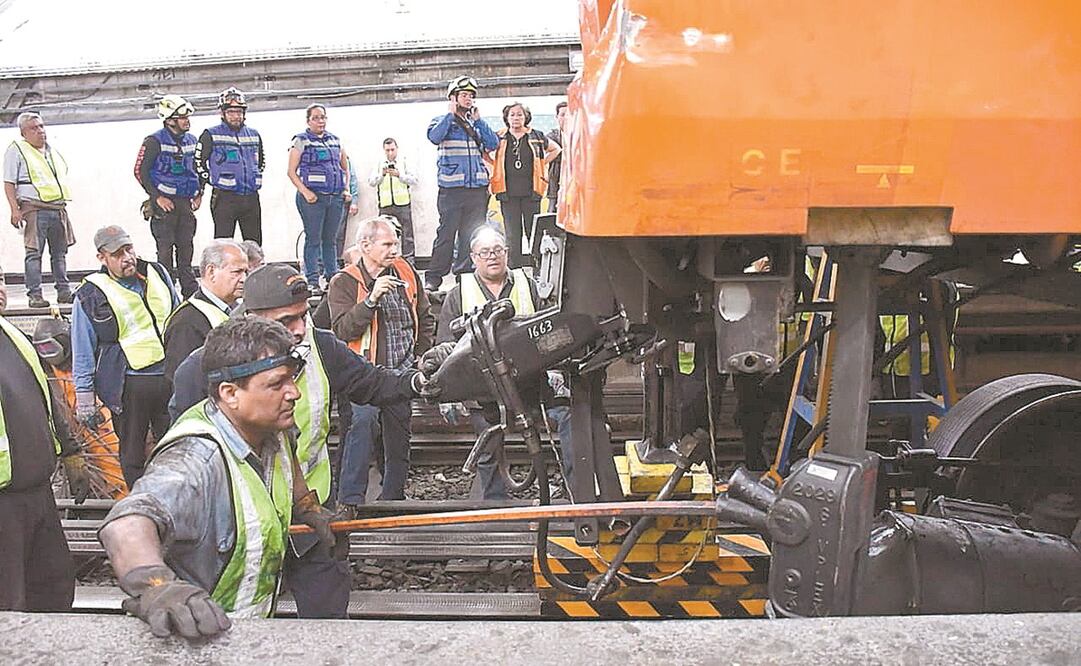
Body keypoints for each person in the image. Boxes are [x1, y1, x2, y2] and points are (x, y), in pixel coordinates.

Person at [170, 263, 444, 618]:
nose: (300, 330)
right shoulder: (204, 369)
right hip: (240, 522)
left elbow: (372, 383)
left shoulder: (320, 346)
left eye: (304, 315)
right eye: (286, 322)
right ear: (251, 318)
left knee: (327, 619)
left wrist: (419, 383)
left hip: (309, 514)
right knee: (237, 617)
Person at [97, 317, 338, 638]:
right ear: (230, 393)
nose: (293, 392)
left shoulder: (271, 428)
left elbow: (288, 458)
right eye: (276, 384)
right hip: (195, 638)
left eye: (292, 380)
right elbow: (126, 525)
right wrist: (156, 586)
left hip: (245, 632)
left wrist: (306, 505)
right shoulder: (196, 458)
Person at [436, 226, 572, 499]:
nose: (492, 257)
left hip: (531, 385)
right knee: (489, 452)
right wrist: (446, 394)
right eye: (484, 252)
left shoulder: (528, 285)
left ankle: (575, 497)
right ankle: (496, 506)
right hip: (482, 393)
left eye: (497, 250)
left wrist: (556, 371)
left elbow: (552, 329)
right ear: (473, 257)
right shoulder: (458, 293)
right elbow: (444, 346)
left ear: (507, 253)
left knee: (571, 421)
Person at [328, 216, 435, 510]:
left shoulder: (405, 271)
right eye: (387, 244)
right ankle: (349, 501)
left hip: (401, 372)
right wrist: (371, 299)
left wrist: (421, 357)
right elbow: (341, 330)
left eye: (396, 243)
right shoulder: (345, 282)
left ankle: (393, 499)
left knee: (398, 436)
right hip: (363, 375)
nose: (395, 250)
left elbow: (424, 316)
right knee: (361, 427)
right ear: (366, 245)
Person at [0, 296, 90, 611]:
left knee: (53, 589)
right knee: (8, 603)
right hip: (4, 503)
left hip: (37, 493)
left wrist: (71, 452)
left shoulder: (13, 337)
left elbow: (47, 400)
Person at [72, 225, 179, 488]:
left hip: (168, 377)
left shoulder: (157, 272)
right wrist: (84, 397)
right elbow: (82, 348)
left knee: (176, 446)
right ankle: (140, 506)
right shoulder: (90, 294)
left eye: (128, 249)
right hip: (128, 385)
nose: (127, 257)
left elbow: (179, 316)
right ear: (102, 258)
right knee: (132, 452)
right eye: (118, 254)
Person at [33, 316, 128, 499]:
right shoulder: (51, 373)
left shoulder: (87, 356)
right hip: (78, 433)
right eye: (42, 349)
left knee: (109, 450)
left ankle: (123, 493)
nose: (49, 354)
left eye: (51, 347)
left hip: (100, 423)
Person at [424, 75, 499, 291]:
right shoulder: (441, 121)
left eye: (471, 96)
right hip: (451, 189)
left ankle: (464, 277)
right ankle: (434, 278)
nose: (468, 99)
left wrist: (479, 121)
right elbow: (435, 137)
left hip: (476, 189)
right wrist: (450, 114)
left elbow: (493, 143)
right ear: (453, 98)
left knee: (470, 234)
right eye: (464, 95)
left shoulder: (475, 124)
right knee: (446, 234)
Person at [3, 111, 75, 308]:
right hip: (34, 208)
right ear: (24, 132)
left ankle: (64, 291)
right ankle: (35, 294)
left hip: (57, 208)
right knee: (34, 253)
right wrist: (14, 210)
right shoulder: (17, 150)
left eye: (41, 126)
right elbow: (9, 182)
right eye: (34, 128)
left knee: (60, 253)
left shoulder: (51, 151)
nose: (40, 131)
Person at [134, 95, 202, 297]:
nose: (187, 121)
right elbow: (140, 172)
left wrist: (199, 194)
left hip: (185, 205)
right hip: (164, 206)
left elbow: (200, 169)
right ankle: (165, 292)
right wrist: (157, 198)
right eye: (182, 117)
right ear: (169, 119)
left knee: (186, 249)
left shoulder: (192, 141)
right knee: (165, 252)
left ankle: (190, 292)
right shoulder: (154, 141)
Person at [163, 240, 248, 383]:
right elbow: (183, 384)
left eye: (246, 272)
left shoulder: (235, 309)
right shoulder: (186, 323)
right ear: (211, 272)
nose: (244, 279)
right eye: (237, 272)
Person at [287, 104, 351, 294]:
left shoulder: (335, 140)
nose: (320, 121)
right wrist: (305, 192)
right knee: (313, 239)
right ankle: (312, 279)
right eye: (315, 118)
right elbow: (291, 172)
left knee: (330, 239)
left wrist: (345, 190)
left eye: (323, 117)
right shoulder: (301, 141)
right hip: (312, 199)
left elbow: (345, 167)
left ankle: (333, 277)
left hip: (334, 197)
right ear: (308, 121)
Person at [490, 102, 561, 270]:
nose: (516, 118)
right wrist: (493, 166)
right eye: (512, 114)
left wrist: (543, 163)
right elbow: (485, 151)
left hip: (532, 192)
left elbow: (556, 149)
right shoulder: (499, 136)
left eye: (520, 114)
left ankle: (538, 269)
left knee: (534, 232)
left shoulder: (536, 135)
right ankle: (513, 270)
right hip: (507, 193)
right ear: (506, 118)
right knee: (512, 235)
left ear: (526, 117)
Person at [195, 87, 265, 244]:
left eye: (239, 112)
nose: (236, 116)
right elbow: (198, 163)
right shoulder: (210, 134)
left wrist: (255, 176)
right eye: (231, 112)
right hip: (225, 198)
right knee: (223, 245)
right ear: (222, 113)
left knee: (254, 244)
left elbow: (261, 161)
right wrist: (210, 180)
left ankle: (255, 269)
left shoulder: (254, 134)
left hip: (251, 197)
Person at [367, 138, 418, 261]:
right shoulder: (379, 163)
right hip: (385, 205)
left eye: (392, 150)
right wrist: (382, 174)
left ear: (397, 149)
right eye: (387, 150)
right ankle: (385, 260)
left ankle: (409, 262)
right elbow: (372, 182)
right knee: (384, 235)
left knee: (407, 235)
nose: (390, 153)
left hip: (403, 203)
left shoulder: (404, 162)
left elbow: (414, 180)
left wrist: (400, 175)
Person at [334, 158, 360, 267]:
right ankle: (321, 264)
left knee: (339, 234)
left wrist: (354, 201)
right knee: (324, 235)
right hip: (326, 200)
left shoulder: (346, 161)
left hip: (342, 201)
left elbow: (352, 181)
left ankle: (336, 261)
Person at [546, 101, 568, 214]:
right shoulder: (552, 136)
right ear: (557, 117)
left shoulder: (581, 135)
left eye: (569, 114)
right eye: (563, 115)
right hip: (555, 179)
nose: (566, 118)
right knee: (552, 212)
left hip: (575, 182)